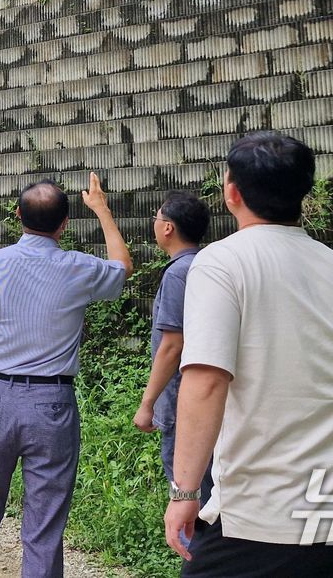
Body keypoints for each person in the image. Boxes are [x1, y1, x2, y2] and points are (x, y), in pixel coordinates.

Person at [164, 131, 333, 577]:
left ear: (232, 192)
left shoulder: (222, 262)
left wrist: (185, 493)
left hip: (264, 521)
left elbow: (206, 381)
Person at [0, 174, 132, 578]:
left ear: (17, 215)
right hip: (52, 404)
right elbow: (122, 267)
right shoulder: (78, 268)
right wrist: (101, 208)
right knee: (44, 527)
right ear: (64, 224)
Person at [132, 191, 213, 501]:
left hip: (182, 405)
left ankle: (191, 547)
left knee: (186, 495)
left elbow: (172, 345)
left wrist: (147, 403)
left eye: (156, 218)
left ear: (168, 227)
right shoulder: (207, 265)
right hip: (203, 402)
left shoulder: (179, 273)